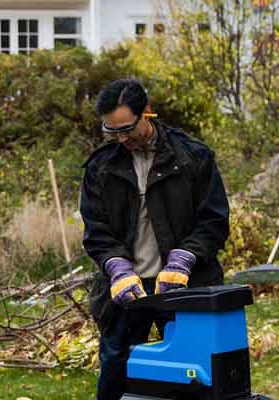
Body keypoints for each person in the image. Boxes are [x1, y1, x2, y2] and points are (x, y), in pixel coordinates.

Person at [80, 78, 230, 400]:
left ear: (147, 112)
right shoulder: (100, 167)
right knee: (115, 372)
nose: (121, 139)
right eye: (111, 131)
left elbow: (214, 221)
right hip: (124, 292)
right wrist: (116, 267)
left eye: (126, 129)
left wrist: (185, 258)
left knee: (192, 376)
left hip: (183, 287)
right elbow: (96, 230)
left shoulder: (193, 156)